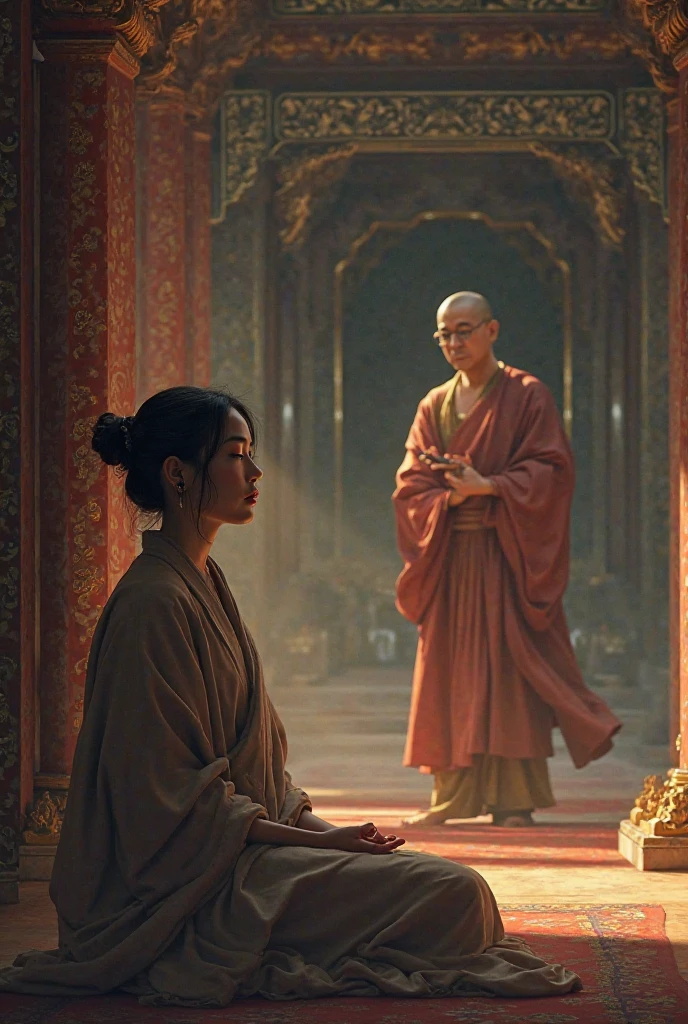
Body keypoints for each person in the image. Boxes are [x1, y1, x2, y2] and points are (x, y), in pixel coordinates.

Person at [0, 385, 581, 1006]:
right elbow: (164, 805)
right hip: (187, 889)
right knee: (455, 894)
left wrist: (332, 833)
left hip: (242, 856)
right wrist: (323, 845)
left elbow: (261, 781)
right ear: (178, 474)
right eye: (234, 455)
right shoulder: (153, 603)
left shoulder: (204, 580)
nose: (254, 473)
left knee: (454, 891)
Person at [393, 292, 621, 828]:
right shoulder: (434, 405)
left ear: (492, 330)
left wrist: (490, 486)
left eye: (465, 330)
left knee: (509, 675)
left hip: (507, 554)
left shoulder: (527, 395)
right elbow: (410, 485)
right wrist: (451, 495)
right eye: (444, 334)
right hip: (450, 556)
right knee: (449, 674)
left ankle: (514, 800)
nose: (454, 343)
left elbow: (553, 471)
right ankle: (451, 796)